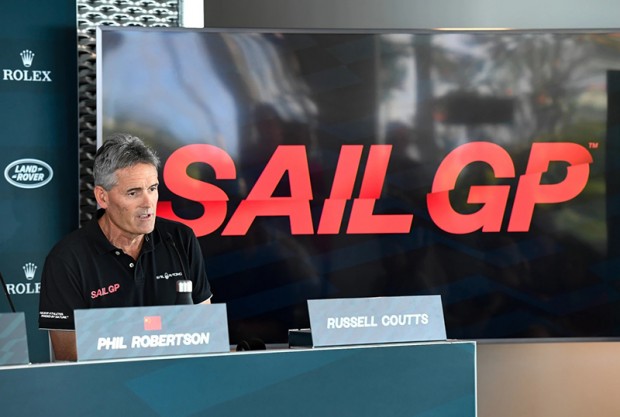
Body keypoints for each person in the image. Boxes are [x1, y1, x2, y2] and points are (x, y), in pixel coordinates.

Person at [38, 133, 212, 361]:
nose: (148, 203)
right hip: (106, 381)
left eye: (152, 188)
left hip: (178, 376)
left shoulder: (181, 239)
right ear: (102, 197)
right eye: (133, 193)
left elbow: (205, 334)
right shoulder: (66, 259)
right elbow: (68, 355)